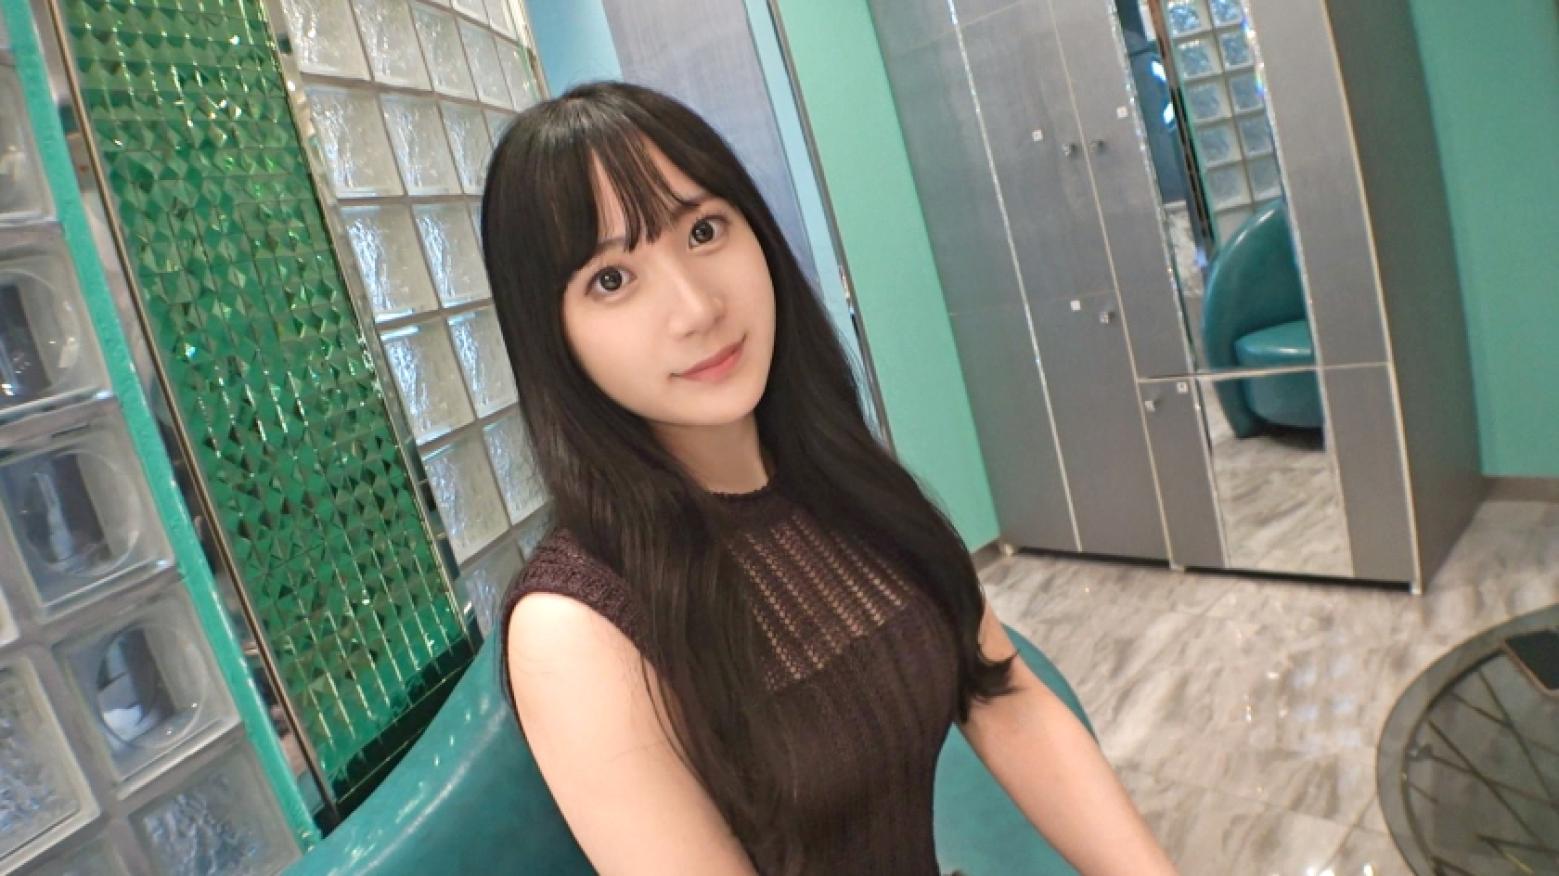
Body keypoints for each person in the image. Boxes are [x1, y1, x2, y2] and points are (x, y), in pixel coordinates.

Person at [480, 81, 1176, 876]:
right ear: (552, 339)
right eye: (611, 279)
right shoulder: (574, 625)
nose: (696, 307)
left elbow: (997, 690)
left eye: (703, 230)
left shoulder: (837, 477)